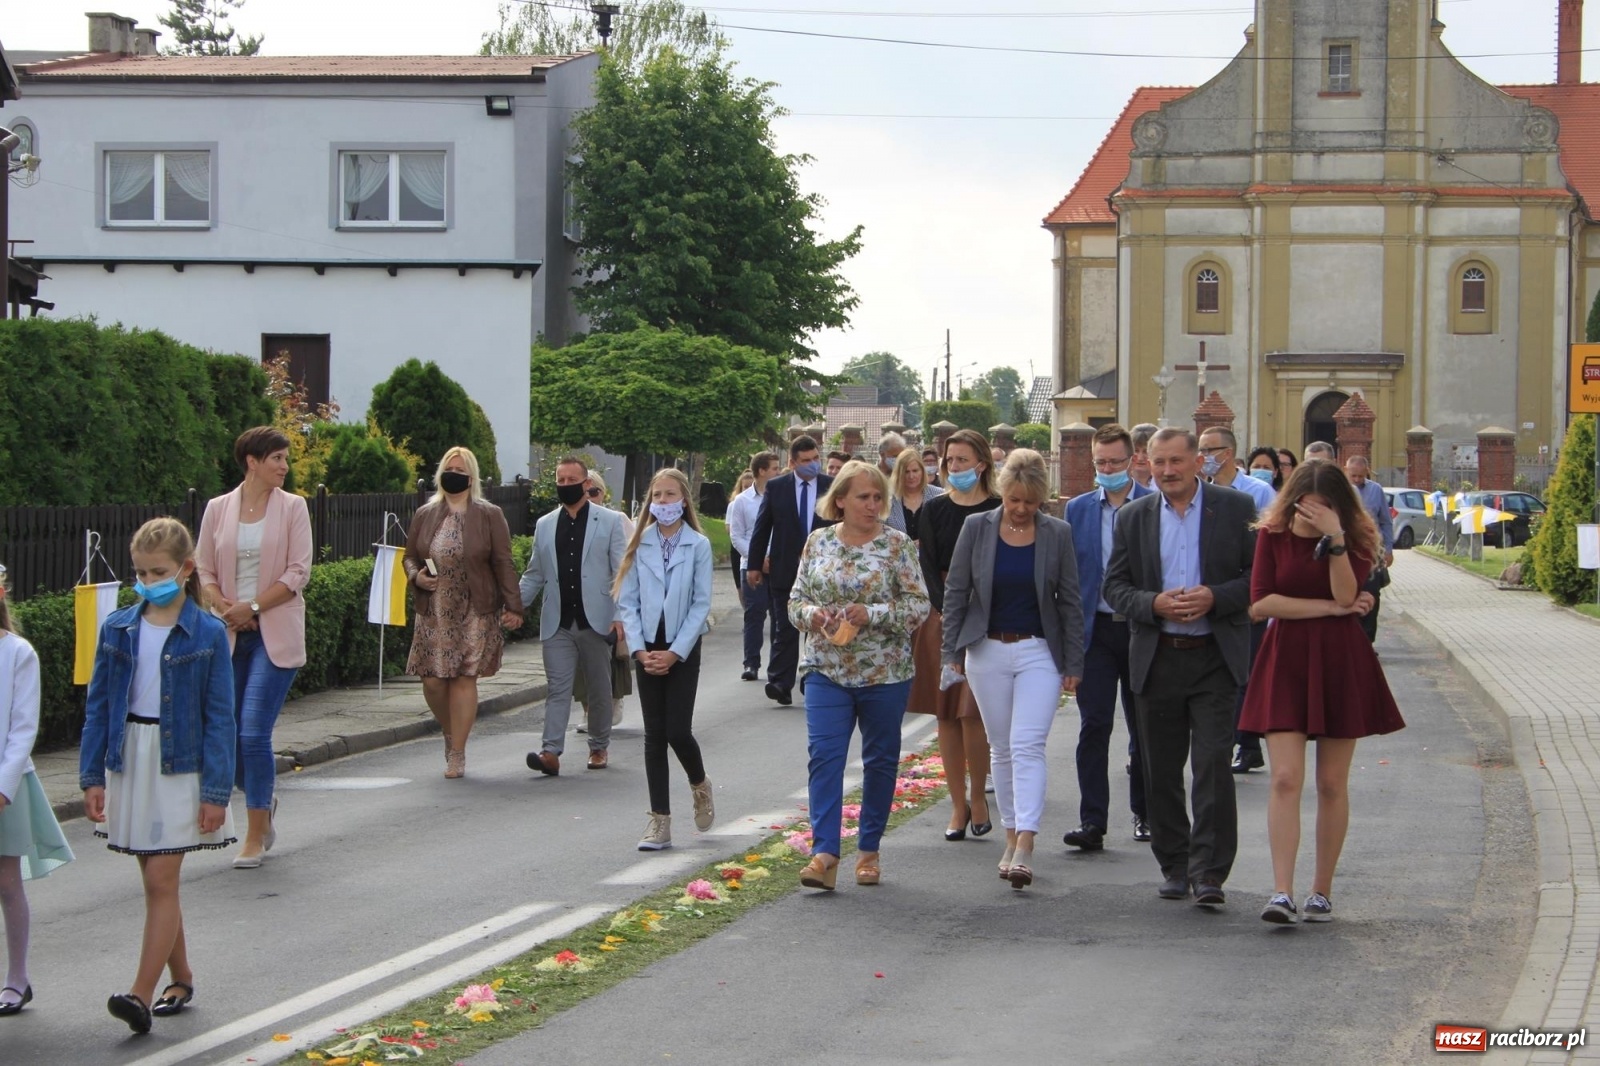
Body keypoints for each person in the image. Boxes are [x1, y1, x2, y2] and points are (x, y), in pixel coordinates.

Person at [81, 518, 237, 1034]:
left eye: (159, 571)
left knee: (161, 879)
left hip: (181, 764)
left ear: (186, 569)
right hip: (131, 757)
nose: (149, 581)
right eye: (141, 573)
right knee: (155, 885)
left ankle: (139, 996)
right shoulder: (117, 627)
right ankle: (183, 976)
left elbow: (220, 718)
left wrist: (215, 792)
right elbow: (99, 705)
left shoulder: (208, 632)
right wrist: (92, 776)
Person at [1242, 460, 1404, 924]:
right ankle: (1281, 891)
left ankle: (1321, 890)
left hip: (1339, 661)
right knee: (1285, 778)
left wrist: (1334, 538)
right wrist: (1332, 610)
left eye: (1325, 507)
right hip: (1286, 657)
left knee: (1332, 783)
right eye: (1307, 505)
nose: (1313, 513)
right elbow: (1262, 602)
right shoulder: (1272, 535)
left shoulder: (1353, 538)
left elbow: (1348, 588)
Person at [1103, 428, 1256, 908]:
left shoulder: (1234, 509)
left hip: (1215, 655)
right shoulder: (1133, 517)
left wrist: (1216, 597)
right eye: (1158, 462)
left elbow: (1258, 579)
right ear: (1145, 464)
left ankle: (1209, 872)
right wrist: (1154, 604)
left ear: (1198, 462)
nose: (1167, 471)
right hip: (1159, 656)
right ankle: (1174, 863)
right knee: (1161, 769)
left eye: (1176, 461)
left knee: (1213, 765)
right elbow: (1115, 588)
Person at [943, 450, 1084, 890]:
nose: (1021, 509)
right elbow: (957, 590)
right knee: (1000, 748)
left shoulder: (1057, 534)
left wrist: (1074, 662)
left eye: (1030, 502)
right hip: (987, 651)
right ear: (1003, 492)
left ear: (1042, 500)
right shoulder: (976, 529)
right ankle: (1008, 836)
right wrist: (951, 650)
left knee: (1027, 745)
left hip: (1038, 651)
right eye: (1014, 500)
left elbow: (1071, 600)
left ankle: (1026, 840)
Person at [789, 461, 929, 890]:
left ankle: (869, 849)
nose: (872, 505)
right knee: (825, 757)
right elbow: (796, 602)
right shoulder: (817, 542)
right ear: (842, 500)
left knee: (880, 760)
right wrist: (815, 615)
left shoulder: (897, 545)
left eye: (877, 498)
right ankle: (824, 853)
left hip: (884, 671)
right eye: (863, 497)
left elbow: (919, 606)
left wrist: (873, 613)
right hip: (825, 668)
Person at [195, 427, 311, 867]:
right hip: (227, 633)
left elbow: (299, 572)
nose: (284, 466)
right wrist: (222, 603)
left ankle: (254, 833)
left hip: (272, 634)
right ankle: (265, 804)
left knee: (252, 732)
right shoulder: (216, 509)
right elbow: (203, 567)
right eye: (277, 458)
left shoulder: (294, 508)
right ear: (252, 462)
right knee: (227, 736)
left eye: (285, 459)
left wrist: (254, 606)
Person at [403, 448, 522, 780]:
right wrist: (416, 576)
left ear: (471, 477)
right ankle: (450, 731)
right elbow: (410, 557)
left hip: (475, 607)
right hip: (435, 609)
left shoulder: (489, 514)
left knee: (463, 677)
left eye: (459, 469)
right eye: (447, 468)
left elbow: (502, 561)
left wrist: (514, 605)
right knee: (433, 681)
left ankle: (457, 751)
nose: (452, 473)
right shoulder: (425, 514)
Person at [615, 468, 717, 852]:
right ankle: (659, 821)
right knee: (654, 735)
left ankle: (699, 784)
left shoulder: (698, 545)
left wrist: (675, 653)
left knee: (677, 730)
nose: (662, 503)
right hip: (647, 645)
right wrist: (641, 651)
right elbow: (629, 601)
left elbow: (700, 604)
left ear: (684, 500)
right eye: (656, 496)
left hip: (681, 646)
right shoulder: (639, 543)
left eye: (669, 495)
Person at [1063, 424, 1153, 851]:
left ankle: (1146, 813)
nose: (1108, 469)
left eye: (1115, 462)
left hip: (1141, 630)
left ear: (1134, 460)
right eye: (1101, 463)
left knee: (1145, 728)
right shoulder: (1077, 509)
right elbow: (1069, 577)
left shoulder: (1154, 505)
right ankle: (1092, 821)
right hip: (1095, 632)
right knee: (1094, 725)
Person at [520, 456, 628, 774]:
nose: (565, 485)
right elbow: (534, 574)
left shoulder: (608, 522)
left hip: (596, 618)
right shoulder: (545, 525)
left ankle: (598, 747)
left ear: (587, 484)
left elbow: (621, 572)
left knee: (598, 686)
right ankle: (550, 752)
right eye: (560, 480)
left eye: (571, 480)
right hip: (558, 621)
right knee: (557, 687)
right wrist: (512, 606)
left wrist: (620, 616)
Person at [0, 563, 75, 1017]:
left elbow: (23, 727)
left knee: (7, 882)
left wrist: (4, 786)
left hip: (5, 784)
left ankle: (17, 978)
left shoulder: (18, 653)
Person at [917, 429, 999, 840]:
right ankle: (956, 805)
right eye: (950, 461)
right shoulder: (933, 511)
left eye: (963, 461)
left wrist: (976, 606)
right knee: (946, 714)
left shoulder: (1000, 508)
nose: (954, 468)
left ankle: (980, 798)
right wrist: (945, 607)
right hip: (942, 616)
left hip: (987, 616)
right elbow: (927, 565)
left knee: (974, 714)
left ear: (981, 464)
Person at [1197, 428, 1275, 776]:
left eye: (1207, 450)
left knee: (1244, 674)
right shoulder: (1199, 491)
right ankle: (1231, 743)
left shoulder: (1258, 493)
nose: (1203, 457)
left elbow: (1269, 548)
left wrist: (1259, 598)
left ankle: (1245, 744)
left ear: (1227, 453)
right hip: (1213, 596)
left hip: (1247, 599)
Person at [746, 435, 835, 707]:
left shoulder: (830, 486)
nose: (812, 465)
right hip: (785, 568)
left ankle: (812, 679)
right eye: (806, 461)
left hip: (822, 571)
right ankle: (780, 683)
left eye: (815, 459)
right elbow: (763, 527)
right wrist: (754, 564)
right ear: (793, 462)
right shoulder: (777, 487)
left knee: (817, 628)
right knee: (784, 628)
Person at [572, 469, 631, 733]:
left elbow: (629, 561)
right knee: (579, 661)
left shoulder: (616, 520)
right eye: (584, 491)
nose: (589, 496)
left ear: (602, 493)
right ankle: (588, 709)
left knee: (608, 659)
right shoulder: (568, 520)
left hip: (608, 600)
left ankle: (612, 701)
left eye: (593, 491)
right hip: (576, 604)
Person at [728, 452, 779, 682]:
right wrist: (758, 560)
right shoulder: (742, 501)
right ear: (761, 471)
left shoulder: (781, 497)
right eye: (775, 468)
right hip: (751, 567)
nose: (778, 472)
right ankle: (751, 663)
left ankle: (778, 666)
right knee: (754, 614)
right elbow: (737, 536)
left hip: (779, 565)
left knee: (780, 617)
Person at [1342, 455, 1395, 645]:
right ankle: (1350, 641)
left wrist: (1388, 549)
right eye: (1353, 476)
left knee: (1372, 596)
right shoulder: (1341, 490)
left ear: (1367, 472)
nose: (1356, 480)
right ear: (1346, 470)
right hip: (1347, 552)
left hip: (1372, 553)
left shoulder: (1376, 490)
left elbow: (1385, 522)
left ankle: (1367, 643)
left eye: (1360, 476)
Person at [886, 448, 944, 540]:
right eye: (906, 472)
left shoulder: (940, 495)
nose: (911, 476)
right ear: (899, 473)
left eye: (915, 471)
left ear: (922, 471)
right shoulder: (888, 500)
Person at [728, 470, 755, 598]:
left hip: (751, 547)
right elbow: (730, 528)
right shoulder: (735, 504)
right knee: (740, 585)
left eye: (751, 486)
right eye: (745, 486)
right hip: (737, 548)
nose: (748, 489)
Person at [1129, 423, 1159, 489]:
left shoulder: (1164, 484)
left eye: (1146, 452)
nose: (1140, 458)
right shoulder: (1120, 484)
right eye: (1136, 451)